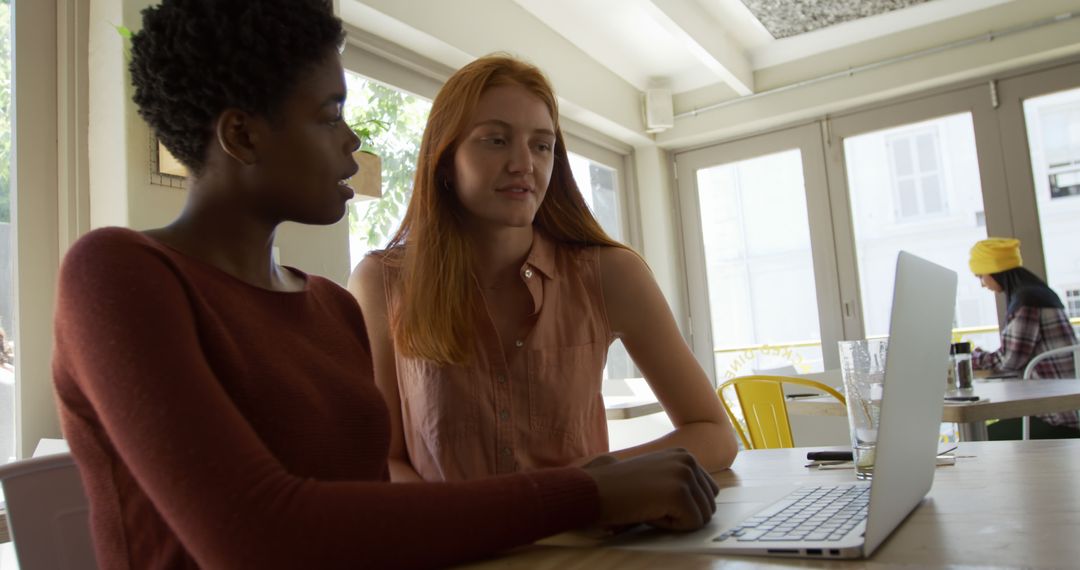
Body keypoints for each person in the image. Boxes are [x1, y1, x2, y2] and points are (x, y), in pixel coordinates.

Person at [51, 2, 721, 568]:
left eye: (542, 145)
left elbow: (378, 513)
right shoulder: (116, 275)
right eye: (328, 114)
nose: (353, 140)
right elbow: (257, 537)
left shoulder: (330, 307)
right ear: (241, 135)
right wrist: (589, 490)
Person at [348, 55, 738, 483]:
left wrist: (591, 480)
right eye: (496, 140)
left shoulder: (610, 274)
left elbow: (714, 434)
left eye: (541, 145)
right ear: (444, 159)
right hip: (456, 547)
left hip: (587, 543)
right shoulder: (381, 282)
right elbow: (383, 458)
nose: (524, 164)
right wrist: (455, 524)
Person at [968, 237, 1079, 439]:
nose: (983, 284)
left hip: (1057, 415)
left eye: (981, 276)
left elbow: (1009, 360)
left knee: (980, 440)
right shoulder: (1039, 294)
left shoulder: (1027, 302)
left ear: (995, 273)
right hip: (1063, 404)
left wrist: (968, 358)